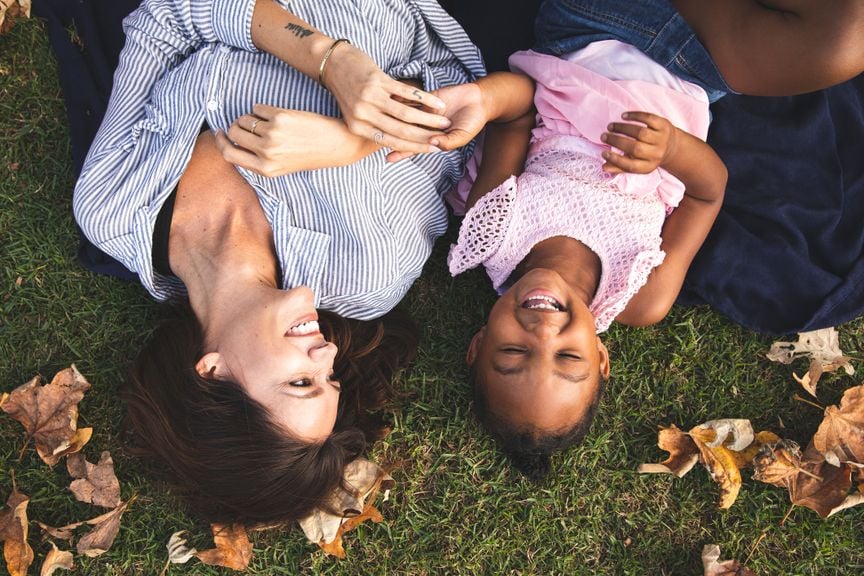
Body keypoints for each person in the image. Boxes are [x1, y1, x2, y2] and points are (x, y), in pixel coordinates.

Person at [72, 0, 484, 525]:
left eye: (300, 382)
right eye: (331, 378)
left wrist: (326, 58)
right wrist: (353, 140)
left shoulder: (112, 208)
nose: (327, 352)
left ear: (213, 372)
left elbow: (164, 18)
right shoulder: (366, 267)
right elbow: (459, 107)